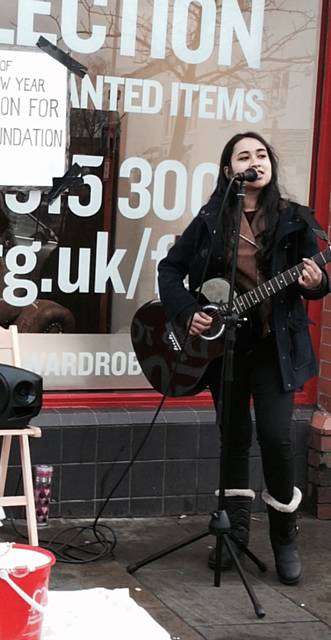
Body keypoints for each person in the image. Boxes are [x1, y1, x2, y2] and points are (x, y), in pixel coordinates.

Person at [157, 132, 330, 585]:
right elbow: (170, 269)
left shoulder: (295, 218)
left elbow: (318, 277)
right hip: (226, 350)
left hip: (276, 349)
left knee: (275, 438)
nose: (255, 161)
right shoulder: (214, 218)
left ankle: (284, 538)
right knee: (232, 437)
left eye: (261, 154)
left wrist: (314, 282)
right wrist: (188, 312)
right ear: (230, 170)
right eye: (243, 156)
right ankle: (233, 535)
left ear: (270, 164)